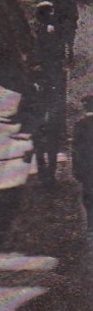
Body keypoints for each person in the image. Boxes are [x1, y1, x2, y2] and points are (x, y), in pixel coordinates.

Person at [71, 96, 93, 224]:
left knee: (88, 194)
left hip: (86, 166)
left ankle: (91, 222)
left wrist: (75, 167)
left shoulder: (80, 124)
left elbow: (76, 150)